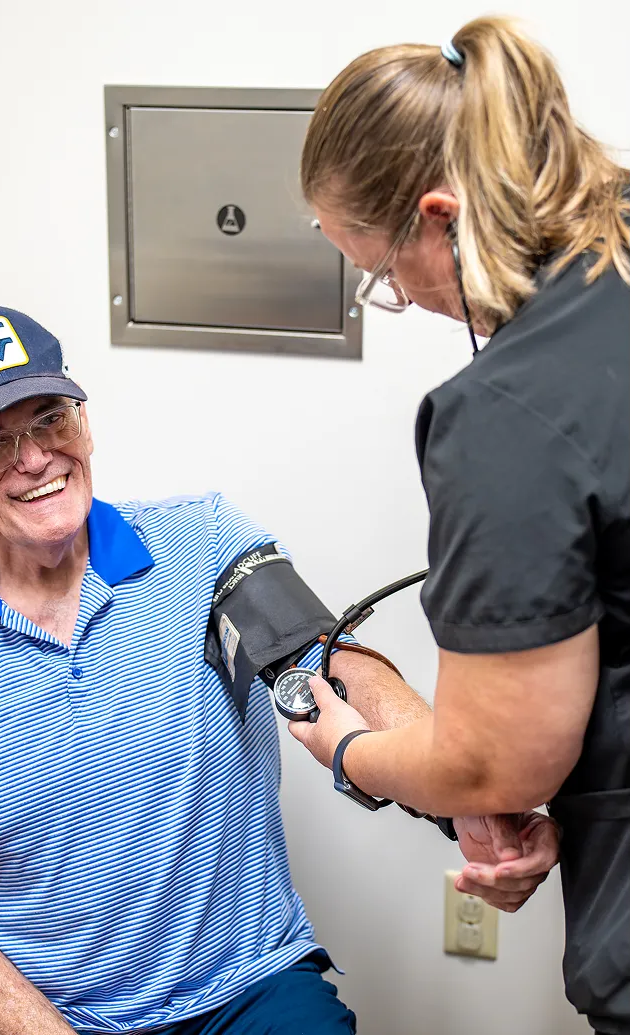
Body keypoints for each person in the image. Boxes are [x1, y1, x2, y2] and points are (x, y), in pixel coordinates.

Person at [0, 306, 557, 1035]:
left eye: (49, 420)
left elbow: (329, 666)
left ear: (84, 424)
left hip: (244, 991)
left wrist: (463, 790)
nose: (34, 458)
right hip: (36, 1019)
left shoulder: (202, 544)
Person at [290, 16, 630, 1035]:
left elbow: (497, 764)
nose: (400, 296)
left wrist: (350, 750)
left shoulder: (509, 410)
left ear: (441, 216)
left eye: (384, 275)